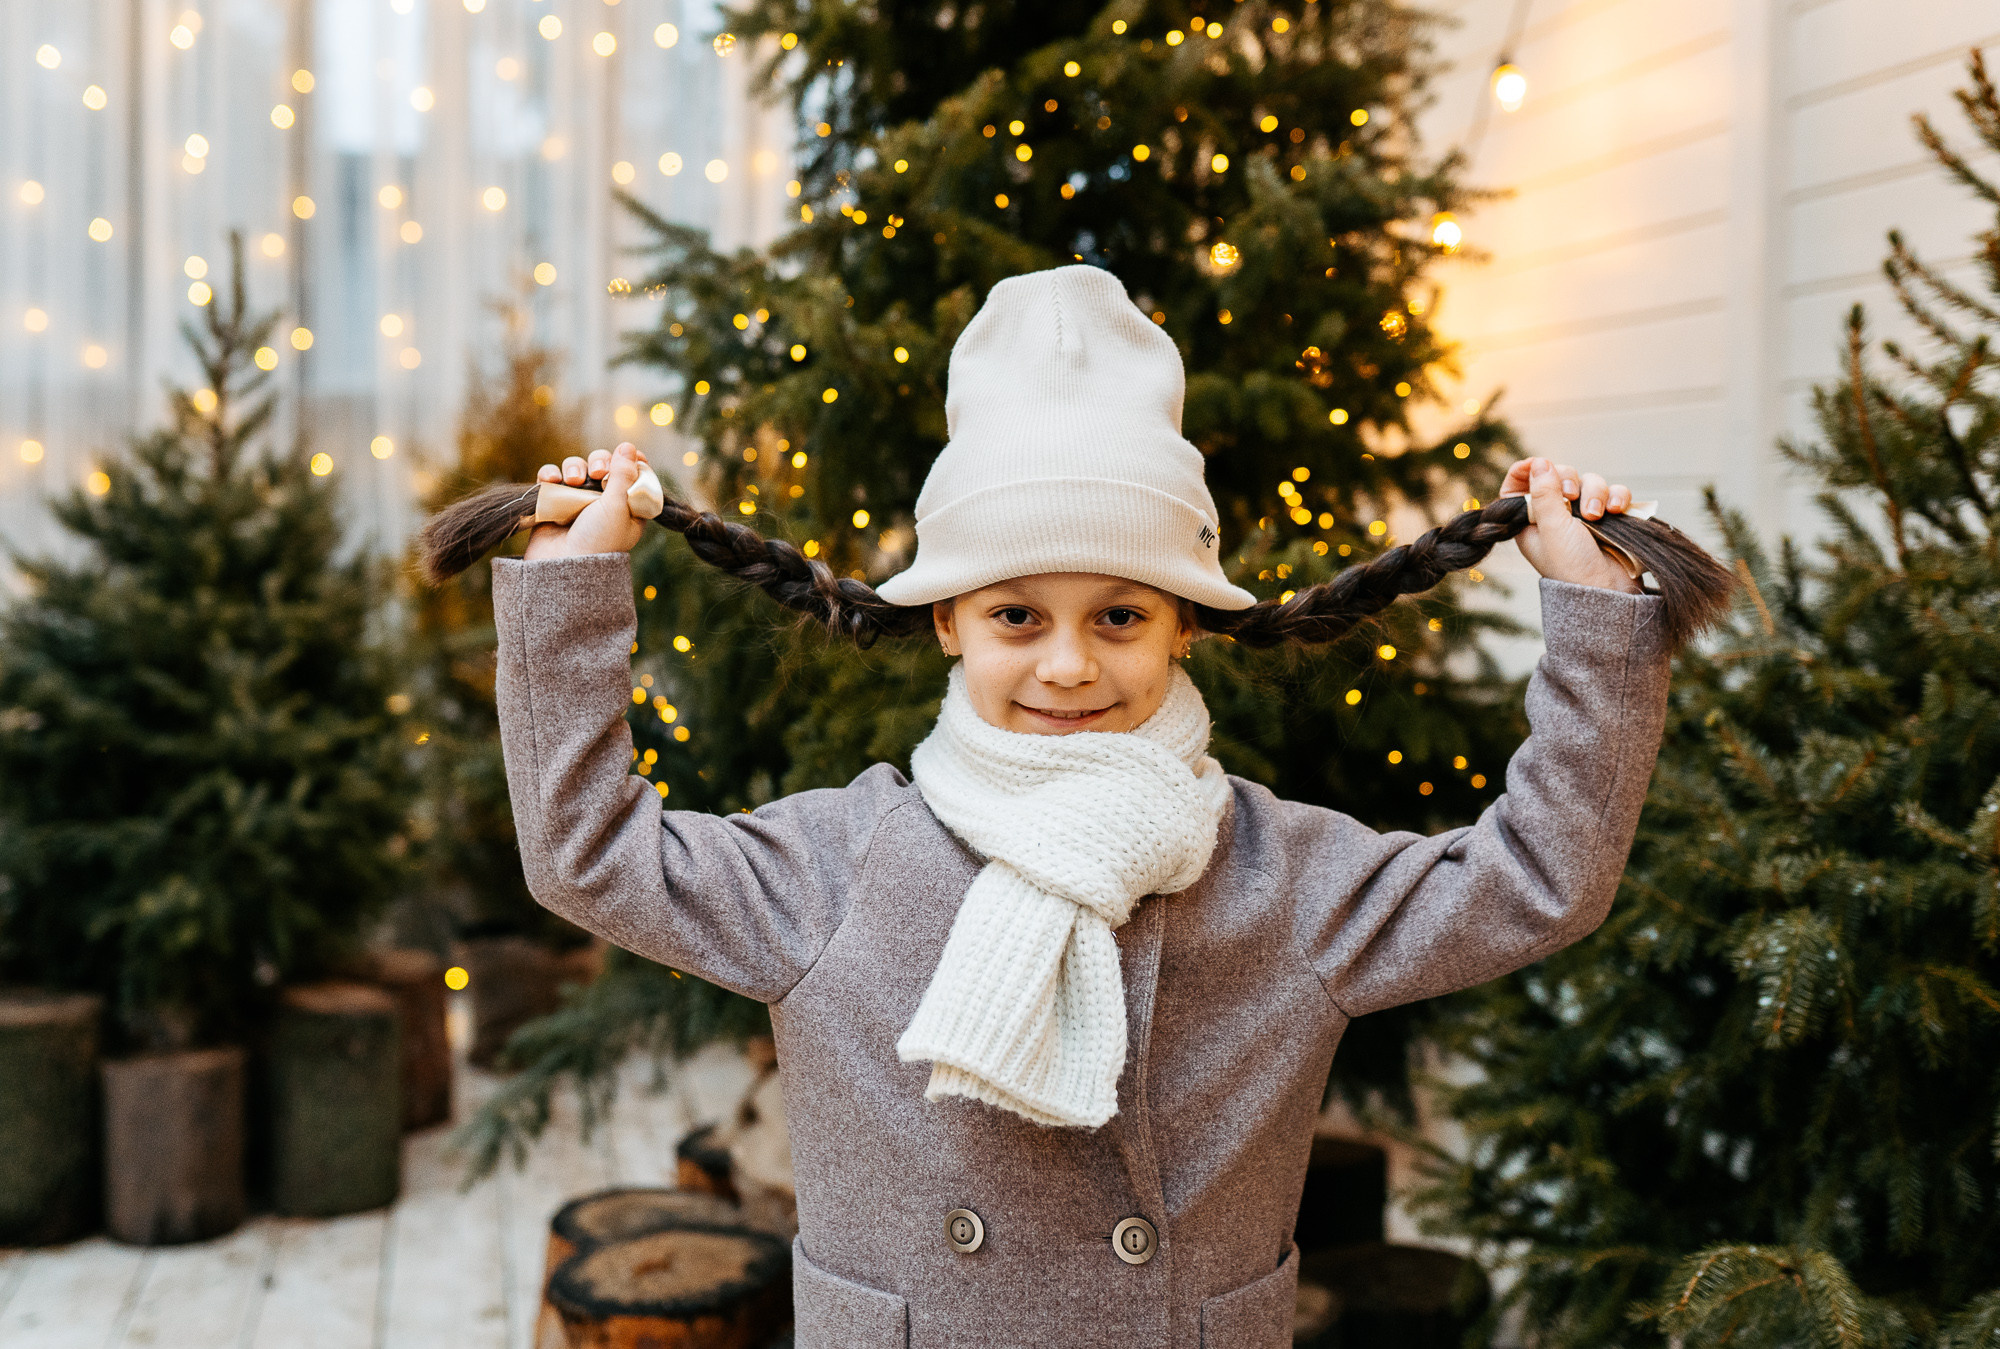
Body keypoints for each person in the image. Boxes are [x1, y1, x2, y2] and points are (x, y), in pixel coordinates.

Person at [492, 265, 1669, 1348]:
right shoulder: (835, 865)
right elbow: (585, 853)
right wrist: (566, 594)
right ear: (946, 619)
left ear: (1184, 624)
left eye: (1118, 614)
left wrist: (1596, 621)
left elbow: (1536, 882)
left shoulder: (1280, 877)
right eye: (1016, 614)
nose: (1065, 665)